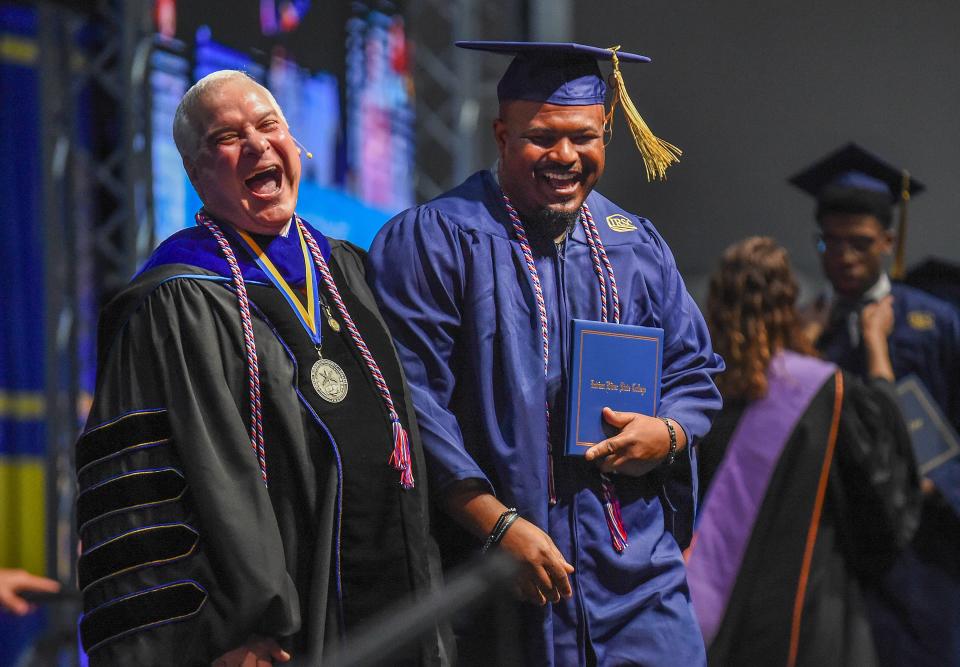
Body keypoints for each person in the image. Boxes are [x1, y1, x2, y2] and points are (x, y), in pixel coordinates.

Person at [366, 41, 723, 666]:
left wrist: (666, 434)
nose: (565, 156)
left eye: (583, 136)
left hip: (634, 577)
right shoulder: (437, 240)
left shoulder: (635, 246)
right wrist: (495, 523)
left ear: (606, 129)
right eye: (540, 137)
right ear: (502, 135)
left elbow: (693, 370)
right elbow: (411, 403)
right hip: (499, 578)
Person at [74, 70, 448, 666]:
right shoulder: (173, 303)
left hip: (397, 607)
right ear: (196, 174)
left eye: (269, 125)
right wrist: (235, 630)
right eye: (227, 137)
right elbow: (158, 496)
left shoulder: (347, 270)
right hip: (269, 641)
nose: (257, 145)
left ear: (295, 143)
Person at [686, 237, 921, 666]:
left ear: (716, 304)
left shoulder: (700, 391)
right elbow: (881, 486)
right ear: (789, 303)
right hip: (808, 606)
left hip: (711, 606)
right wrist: (876, 349)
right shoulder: (822, 390)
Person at [790, 143, 960, 666]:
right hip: (838, 550)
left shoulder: (932, 322)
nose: (843, 256)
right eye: (830, 242)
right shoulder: (809, 327)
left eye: (860, 243)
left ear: (888, 240)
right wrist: (804, 351)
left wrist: (940, 483)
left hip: (923, 547)